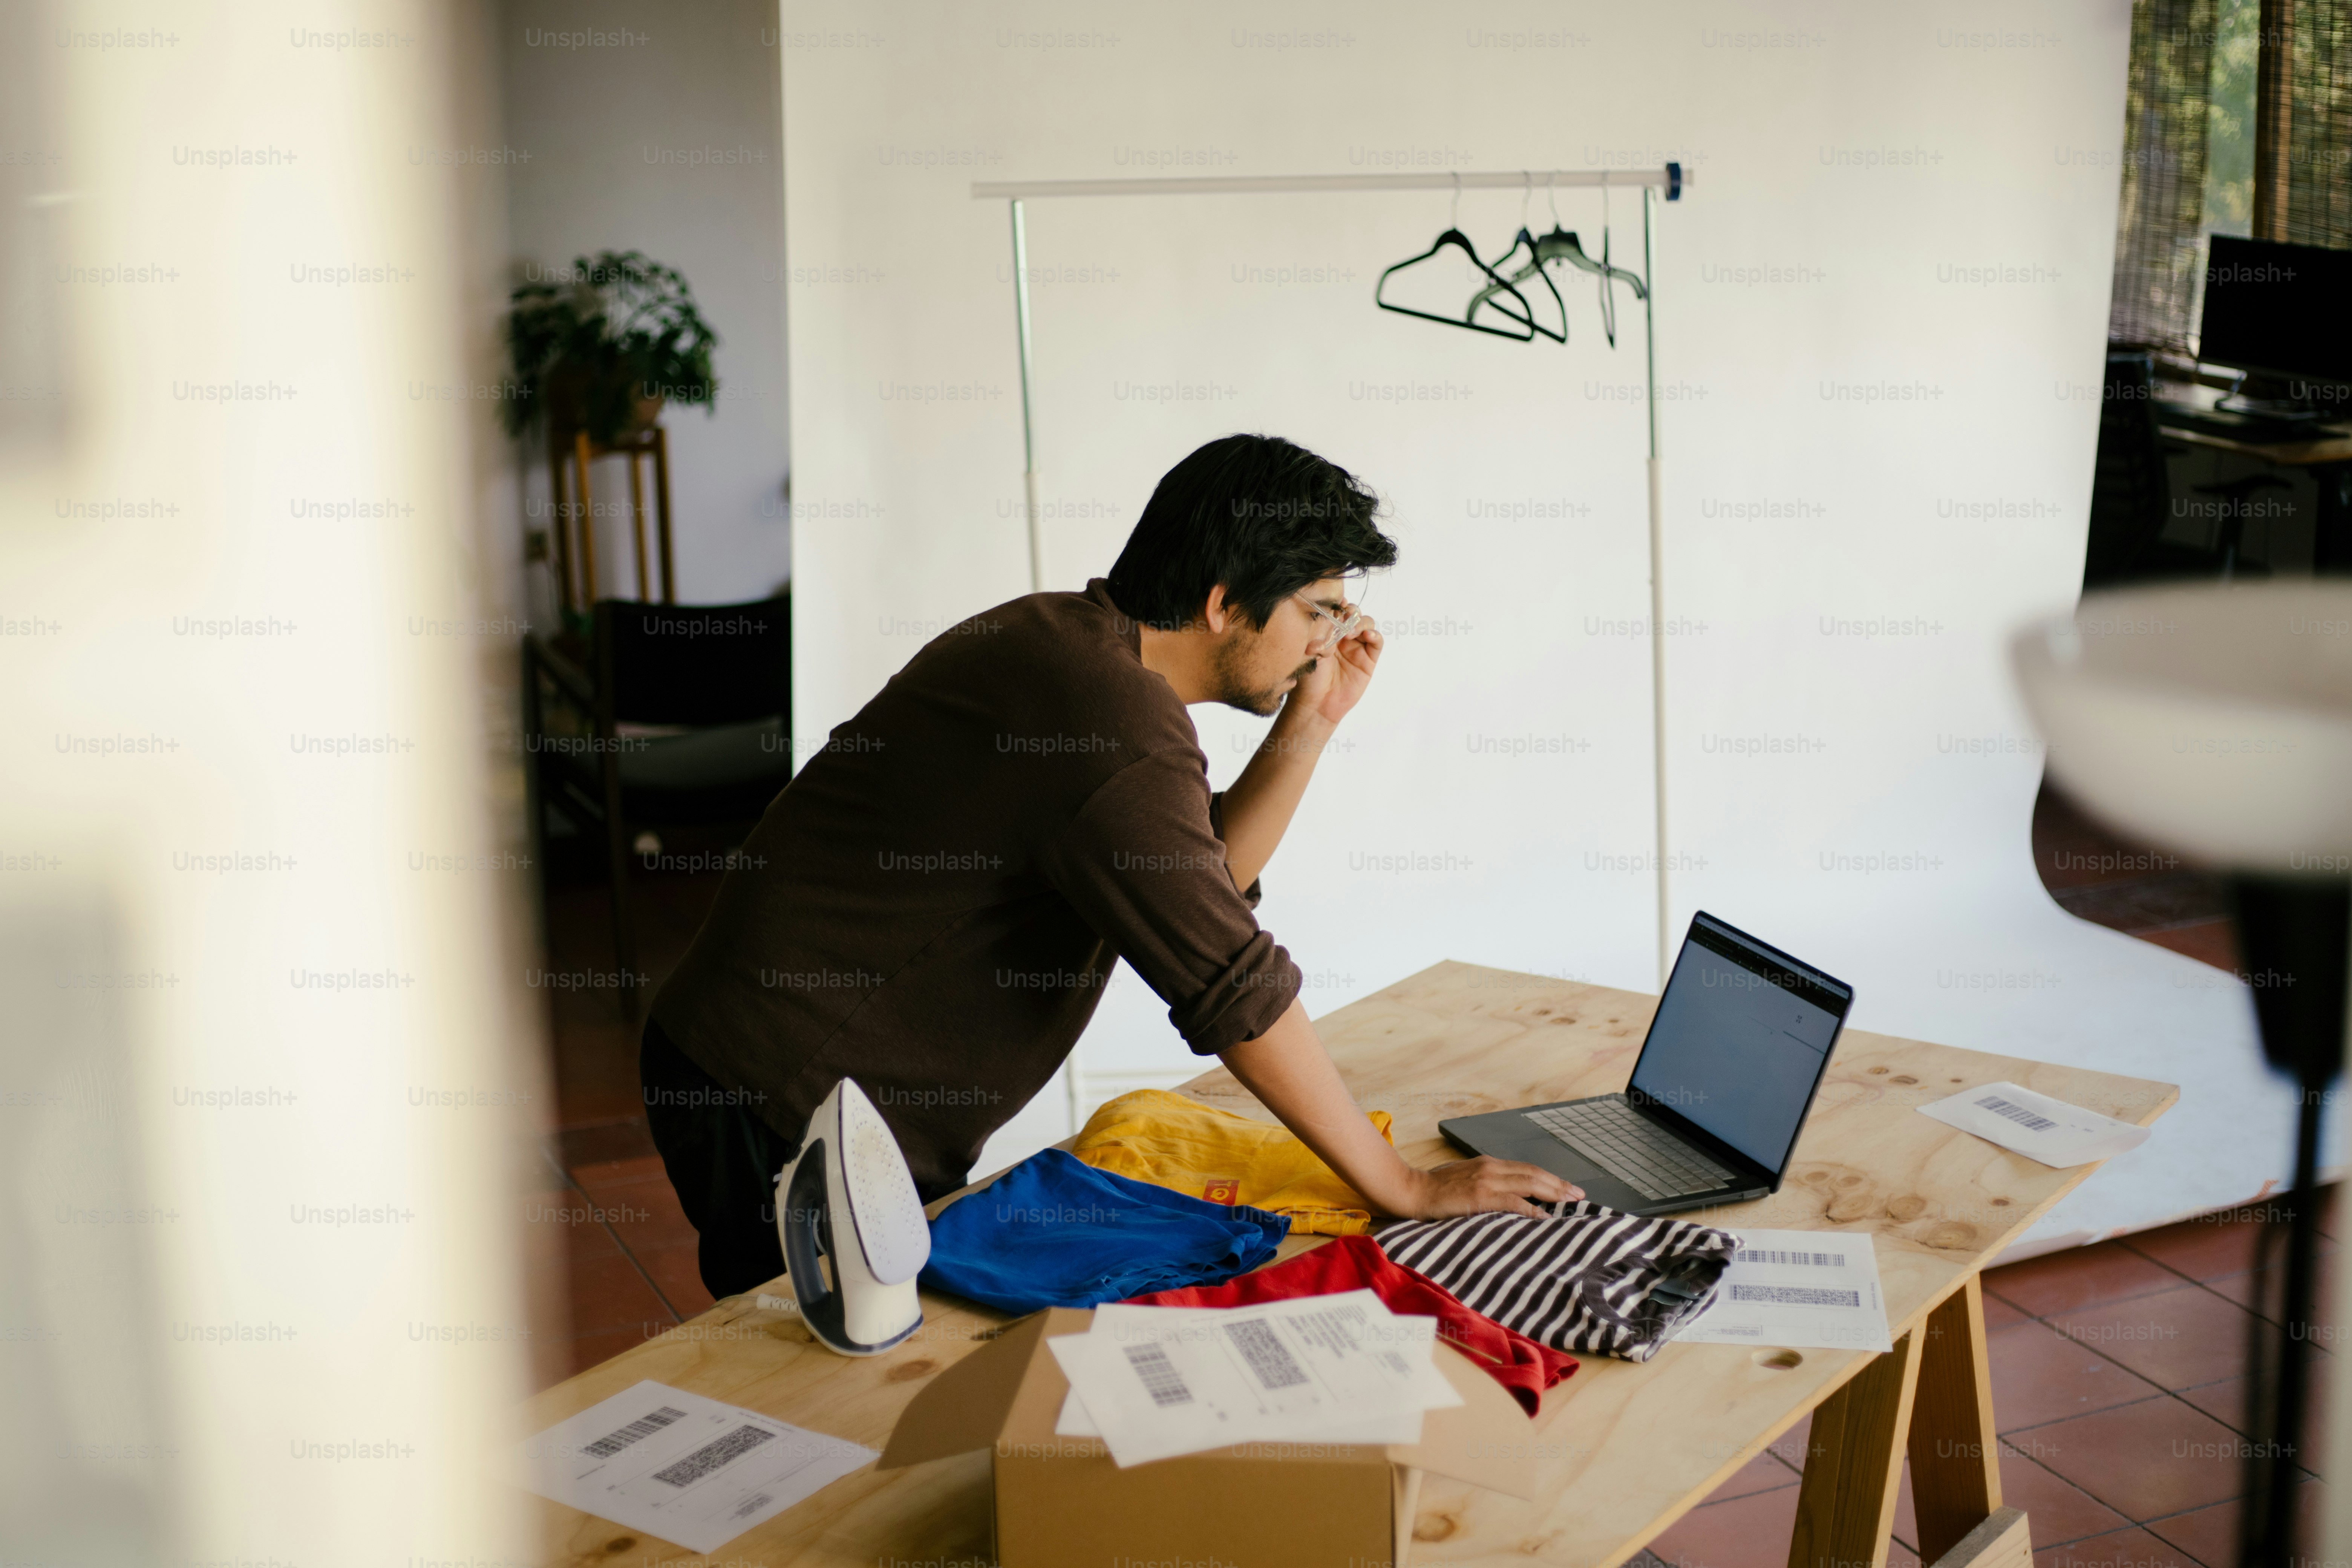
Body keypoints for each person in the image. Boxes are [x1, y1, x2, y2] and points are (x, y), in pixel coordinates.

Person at [642, 432, 1578, 1297]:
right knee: (811, 1401)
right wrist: (1405, 1183)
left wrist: (1313, 721)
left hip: (788, 1077)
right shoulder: (1105, 716)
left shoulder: (1078, 653)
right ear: (1222, 601)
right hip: (775, 1095)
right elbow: (1230, 980)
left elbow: (1195, 881)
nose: (1328, 639)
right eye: (1317, 610)